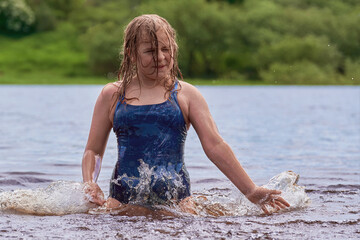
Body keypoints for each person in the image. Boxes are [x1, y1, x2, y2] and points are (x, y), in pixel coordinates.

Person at [82, 14, 290, 215]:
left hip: (178, 203)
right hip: (122, 201)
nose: (161, 57)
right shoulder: (112, 95)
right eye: (150, 51)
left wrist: (250, 190)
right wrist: (90, 183)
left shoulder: (186, 95)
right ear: (131, 52)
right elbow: (93, 150)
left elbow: (215, 145)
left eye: (166, 49)